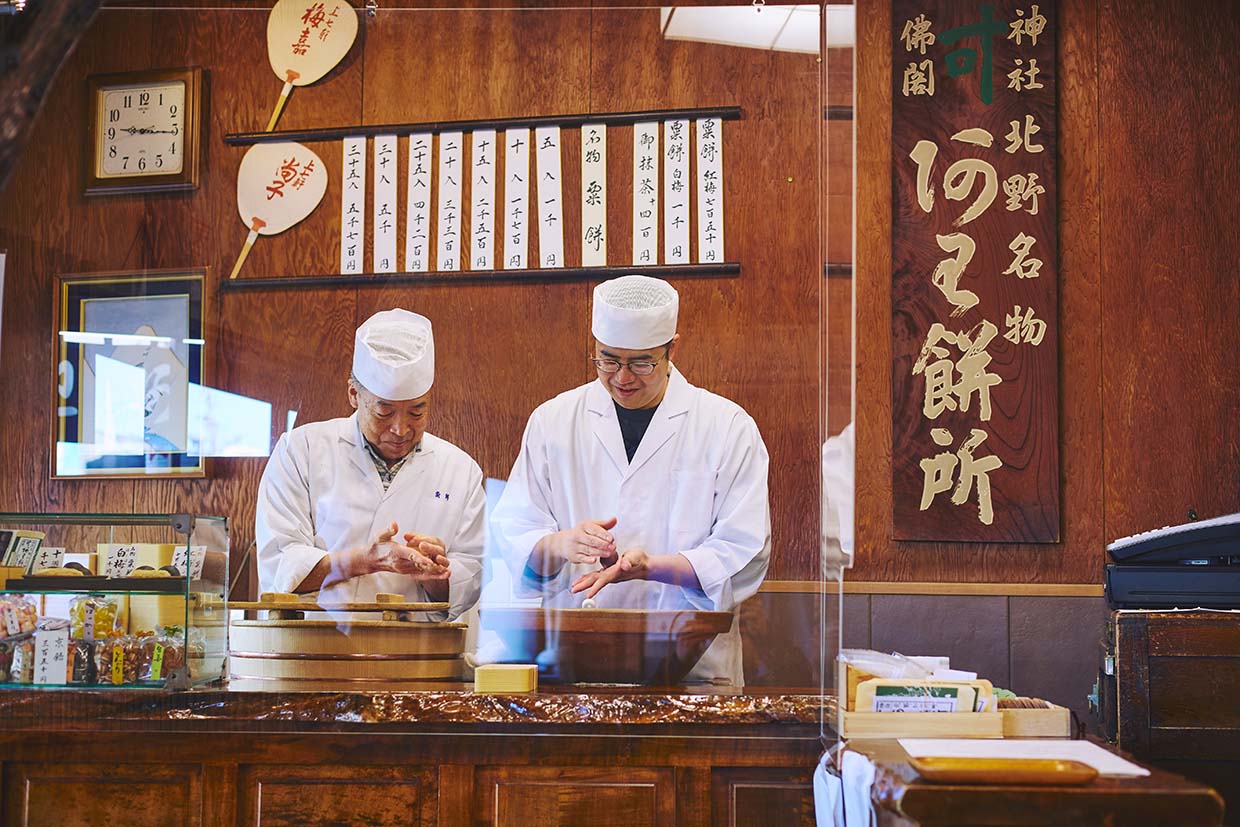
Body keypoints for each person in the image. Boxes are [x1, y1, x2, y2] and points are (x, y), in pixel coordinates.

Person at [490, 275, 770, 684]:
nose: (622, 378)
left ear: (672, 348)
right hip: (572, 665)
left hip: (692, 670)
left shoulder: (726, 426)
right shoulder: (553, 421)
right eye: (608, 360)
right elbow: (515, 531)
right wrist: (560, 543)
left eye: (641, 363)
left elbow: (746, 551)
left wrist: (654, 568)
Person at [256, 308, 484, 620]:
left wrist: (437, 575)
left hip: (417, 648)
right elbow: (280, 565)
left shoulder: (461, 470)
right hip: (314, 644)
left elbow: (471, 576)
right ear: (354, 394)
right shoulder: (300, 451)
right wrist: (366, 560)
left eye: (416, 412)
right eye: (384, 412)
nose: (400, 429)